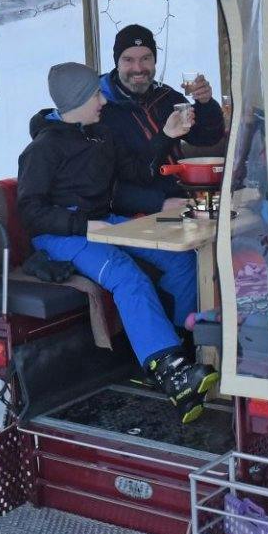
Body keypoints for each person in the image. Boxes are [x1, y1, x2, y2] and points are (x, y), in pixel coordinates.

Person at [17, 61, 219, 422]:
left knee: (180, 260)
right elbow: (31, 210)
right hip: (60, 234)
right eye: (96, 94)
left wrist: (167, 136)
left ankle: (176, 344)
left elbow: (135, 170)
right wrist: (82, 225)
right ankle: (170, 373)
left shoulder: (98, 134)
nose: (103, 101)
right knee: (127, 276)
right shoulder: (43, 149)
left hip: (101, 222)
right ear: (79, 98)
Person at [96, 23, 226, 209]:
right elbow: (113, 182)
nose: (138, 68)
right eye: (128, 60)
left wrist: (205, 104)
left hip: (185, 197)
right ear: (117, 62)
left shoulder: (166, 98)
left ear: (155, 60)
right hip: (138, 214)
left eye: (146, 58)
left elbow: (207, 138)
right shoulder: (100, 109)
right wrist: (160, 204)